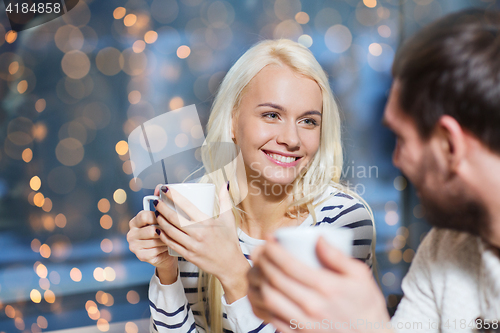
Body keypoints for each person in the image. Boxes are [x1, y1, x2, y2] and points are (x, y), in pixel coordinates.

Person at [246, 8, 500, 333]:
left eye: (401, 139)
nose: (396, 160)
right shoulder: (445, 248)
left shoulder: (345, 215)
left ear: (450, 146)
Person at [127, 39, 375, 333]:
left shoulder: (342, 220)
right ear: (233, 121)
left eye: (308, 121)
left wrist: (232, 270)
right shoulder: (200, 211)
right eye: (272, 115)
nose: (291, 139)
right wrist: (167, 271)